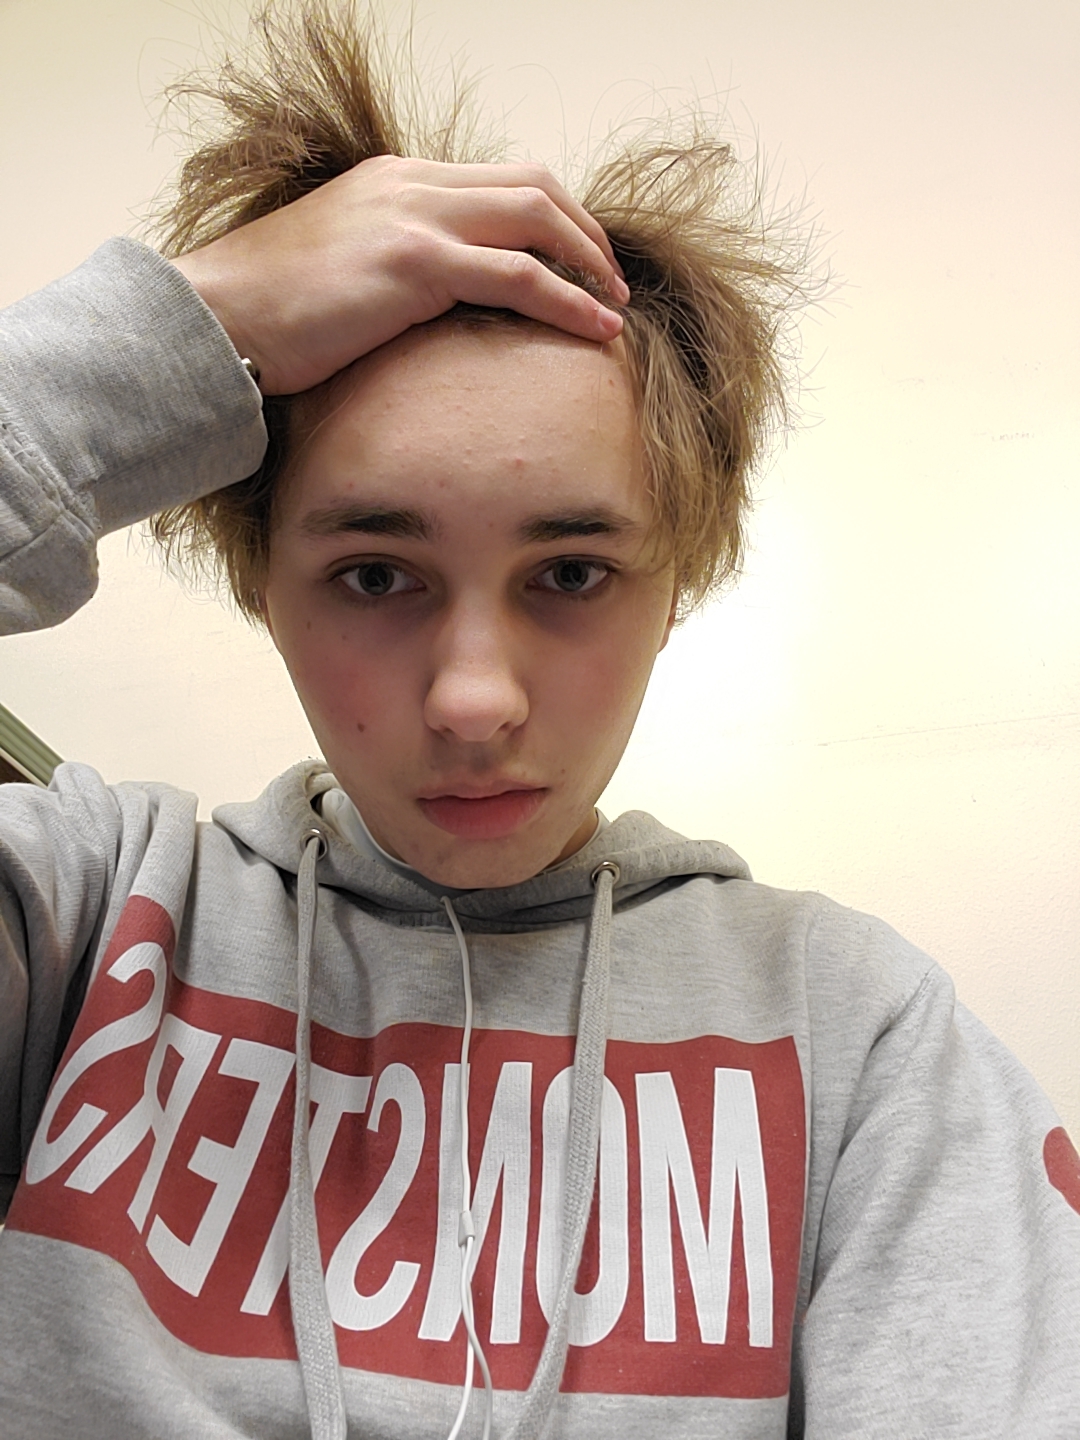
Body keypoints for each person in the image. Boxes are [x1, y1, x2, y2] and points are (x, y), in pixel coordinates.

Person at [0, 4, 1077, 1438]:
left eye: (570, 574)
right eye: (375, 574)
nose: (473, 700)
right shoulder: (81, 922)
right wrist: (201, 325)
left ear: (677, 582)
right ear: (262, 579)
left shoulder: (860, 1041)